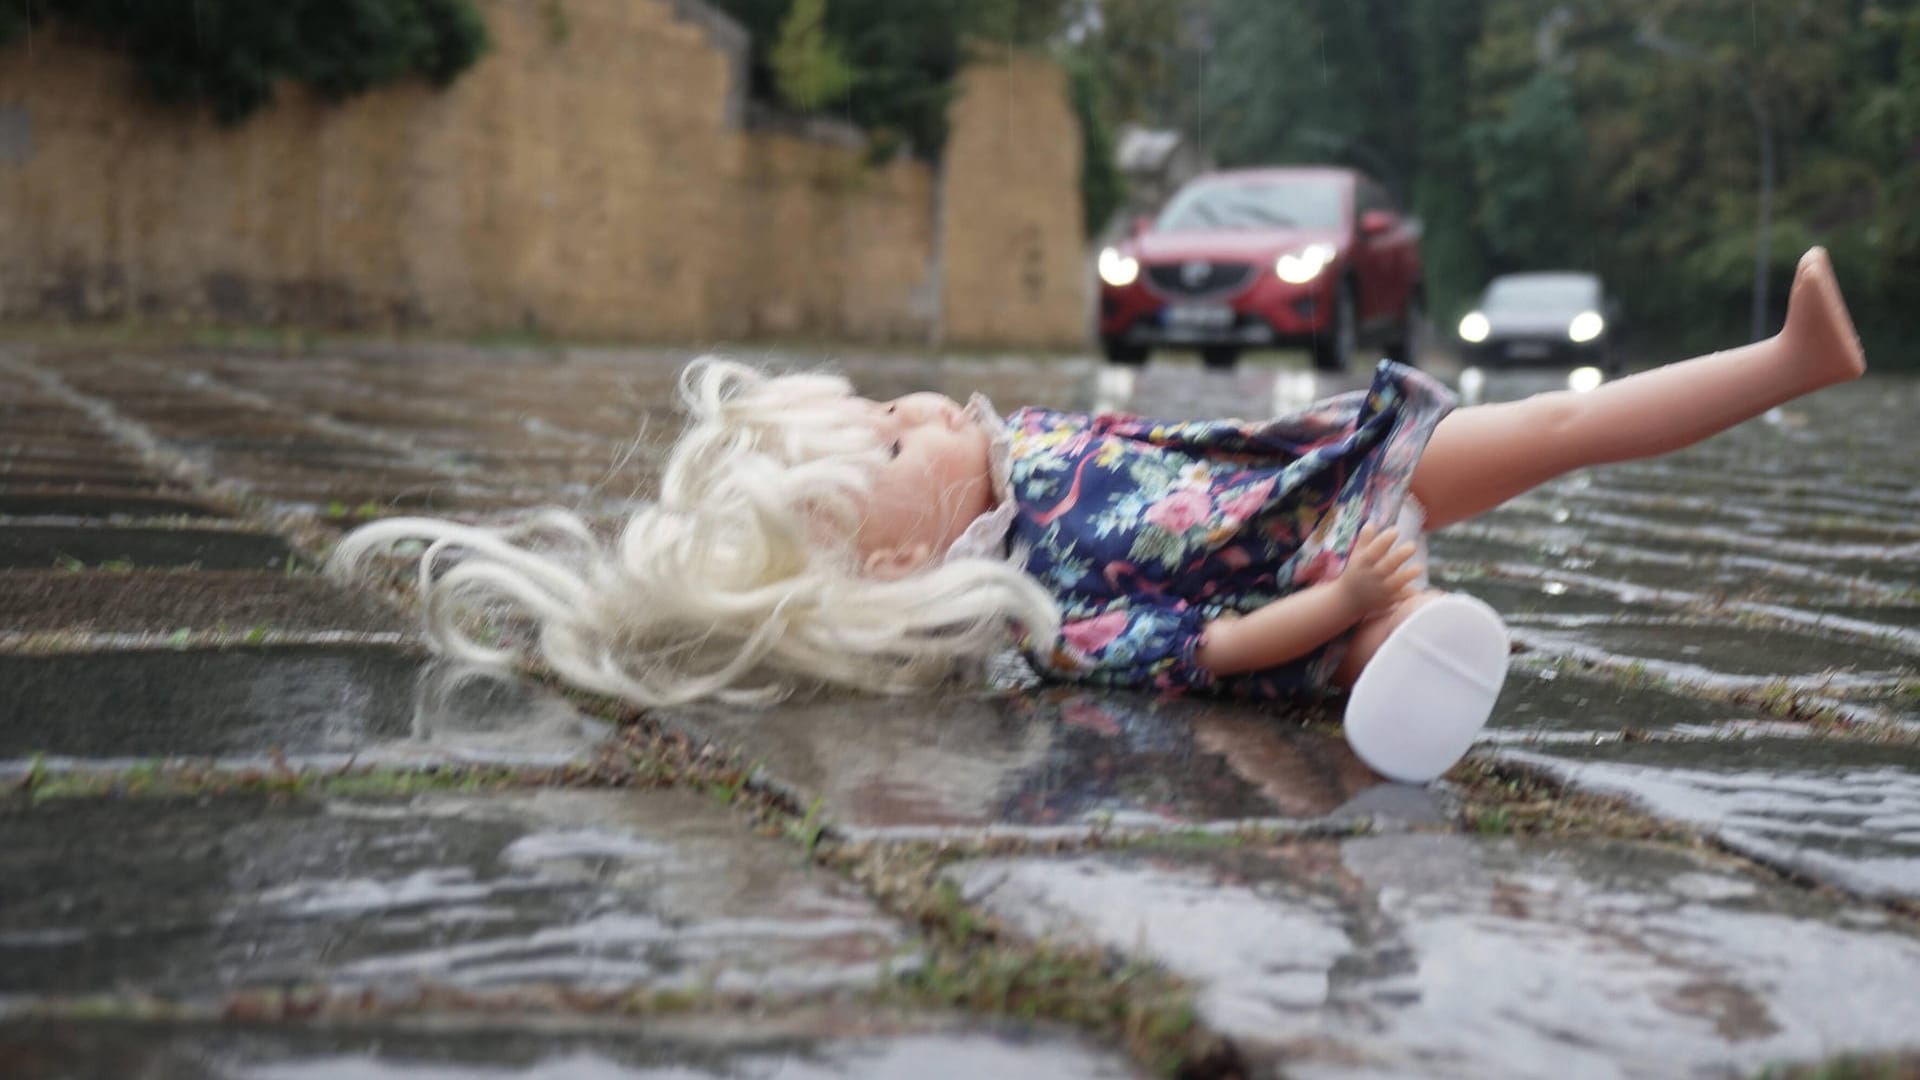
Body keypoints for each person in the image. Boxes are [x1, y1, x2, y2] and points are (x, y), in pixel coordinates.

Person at [330, 247, 1867, 783]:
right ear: (902, 559)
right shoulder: (1053, 602)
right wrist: (1330, 611)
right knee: (1401, 596)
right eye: (889, 438)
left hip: (1304, 477)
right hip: (1305, 578)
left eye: (883, 403)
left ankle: (1793, 363)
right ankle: (1396, 654)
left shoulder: (1021, 464)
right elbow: (1198, 657)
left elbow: (1185, 445)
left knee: (1556, 429)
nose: (917, 410)